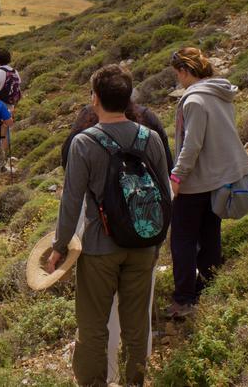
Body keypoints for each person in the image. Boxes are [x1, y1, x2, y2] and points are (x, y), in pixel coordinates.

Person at [47, 65, 169, 387]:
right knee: (136, 326)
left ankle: (93, 383)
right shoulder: (151, 138)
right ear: (129, 98)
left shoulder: (84, 143)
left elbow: (71, 202)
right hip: (143, 245)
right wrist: (157, 241)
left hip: (100, 248)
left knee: (93, 327)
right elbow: (164, 194)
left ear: (95, 98)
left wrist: (59, 248)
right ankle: (134, 382)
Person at [167, 47, 248, 318]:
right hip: (219, 180)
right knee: (210, 236)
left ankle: (184, 301)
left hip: (195, 182)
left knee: (182, 240)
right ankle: (209, 291)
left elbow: (191, 145)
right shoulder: (222, 94)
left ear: (185, 71)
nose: (178, 80)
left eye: (177, 74)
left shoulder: (193, 101)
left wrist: (177, 176)